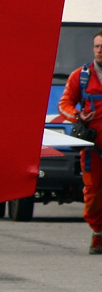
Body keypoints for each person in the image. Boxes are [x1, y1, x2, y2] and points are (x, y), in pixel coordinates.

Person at [57, 31, 102, 253]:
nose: (100, 50)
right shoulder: (80, 76)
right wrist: (78, 116)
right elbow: (64, 104)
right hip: (93, 148)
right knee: (93, 193)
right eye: (96, 46)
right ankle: (98, 233)